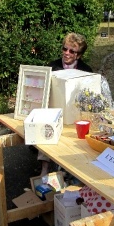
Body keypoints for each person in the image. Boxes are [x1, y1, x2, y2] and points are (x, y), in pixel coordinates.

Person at [38, 32, 93, 175]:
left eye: (71, 51)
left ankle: (74, 170)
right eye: (65, 49)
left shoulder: (86, 70)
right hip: (53, 111)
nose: (66, 53)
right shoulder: (52, 66)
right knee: (46, 131)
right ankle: (44, 168)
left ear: (79, 55)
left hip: (75, 114)